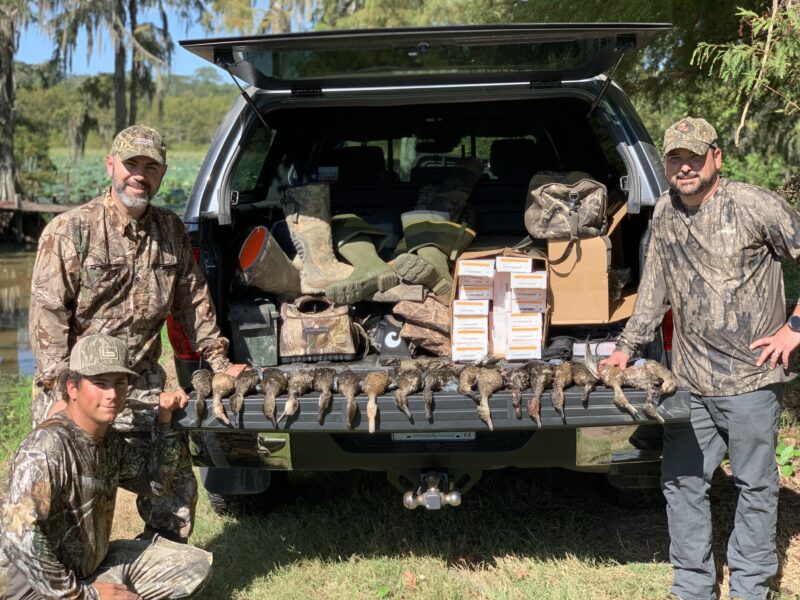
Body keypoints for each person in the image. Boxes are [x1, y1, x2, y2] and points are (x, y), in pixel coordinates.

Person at [602, 116, 800, 600]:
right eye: (676, 158)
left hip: (752, 379)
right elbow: (654, 289)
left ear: (717, 157)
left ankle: (751, 587)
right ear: (666, 165)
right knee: (682, 483)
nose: (685, 166)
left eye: (695, 156)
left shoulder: (755, 205)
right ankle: (692, 586)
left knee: (756, 486)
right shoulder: (666, 211)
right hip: (688, 382)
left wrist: (794, 329)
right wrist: (627, 346)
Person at [28, 124, 246, 542]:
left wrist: (219, 362)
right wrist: (62, 396)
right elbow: (48, 317)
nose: (139, 174)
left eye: (151, 166)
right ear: (111, 165)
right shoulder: (70, 231)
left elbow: (193, 300)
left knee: (176, 486)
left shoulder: (171, 230)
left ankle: (159, 566)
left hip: (142, 390)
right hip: (79, 391)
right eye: (131, 163)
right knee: (73, 503)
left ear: (162, 174)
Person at [0, 334, 213, 599]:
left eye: (119, 383)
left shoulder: (108, 440)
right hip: (34, 590)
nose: (112, 394)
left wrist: (165, 423)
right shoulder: (46, 447)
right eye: (99, 383)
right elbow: (18, 533)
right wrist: (85, 595)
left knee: (191, 565)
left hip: (88, 568)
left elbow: (154, 483)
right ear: (72, 388)